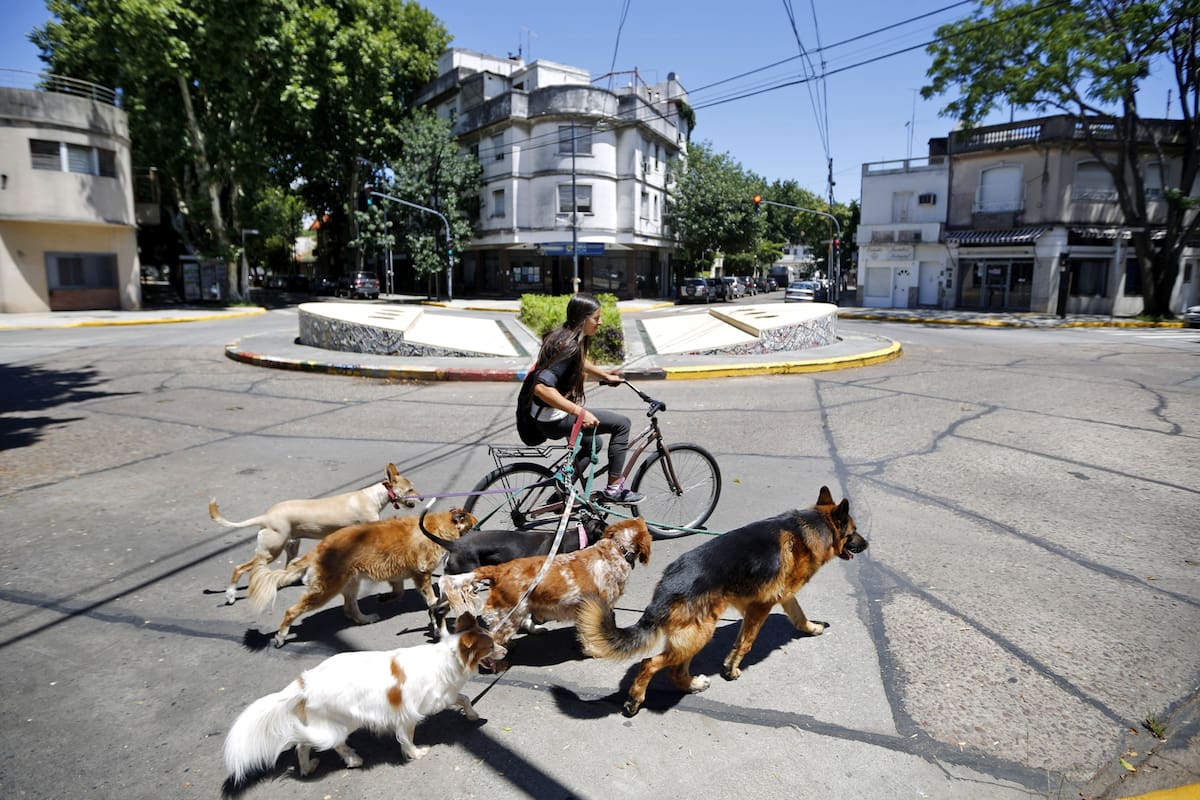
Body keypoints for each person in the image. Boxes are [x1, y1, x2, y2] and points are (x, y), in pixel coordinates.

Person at [527, 292, 643, 504]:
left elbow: (578, 362)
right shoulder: (568, 346)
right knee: (622, 424)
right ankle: (615, 488)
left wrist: (605, 376)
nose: (600, 322)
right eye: (596, 318)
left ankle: (560, 494)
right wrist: (580, 413)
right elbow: (541, 388)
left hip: (542, 414)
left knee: (593, 444)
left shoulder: (565, 335)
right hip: (553, 418)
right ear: (582, 319)